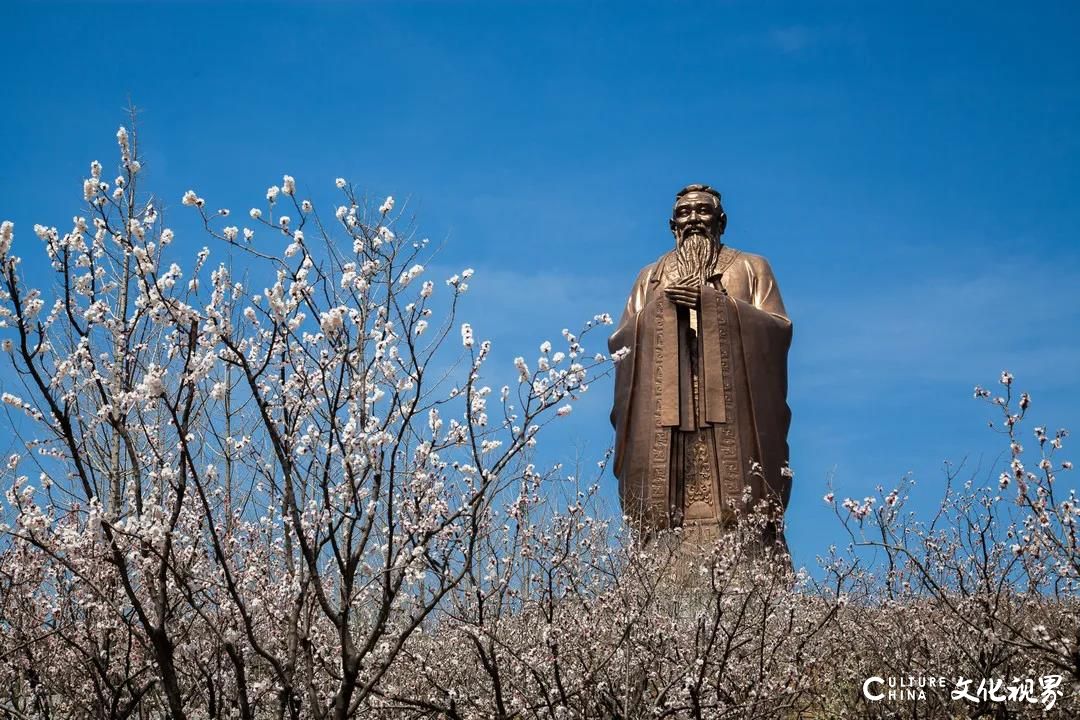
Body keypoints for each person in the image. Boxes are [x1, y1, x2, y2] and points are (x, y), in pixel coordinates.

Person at [608, 184, 793, 550]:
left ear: (721, 221)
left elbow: (777, 329)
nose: (694, 219)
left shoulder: (751, 267)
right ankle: (661, 545)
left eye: (703, 211)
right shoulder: (651, 276)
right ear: (672, 224)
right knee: (663, 506)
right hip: (666, 404)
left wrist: (713, 305)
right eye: (685, 213)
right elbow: (622, 341)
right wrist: (661, 311)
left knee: (741, 506)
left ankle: (744, 541)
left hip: (730, 404)